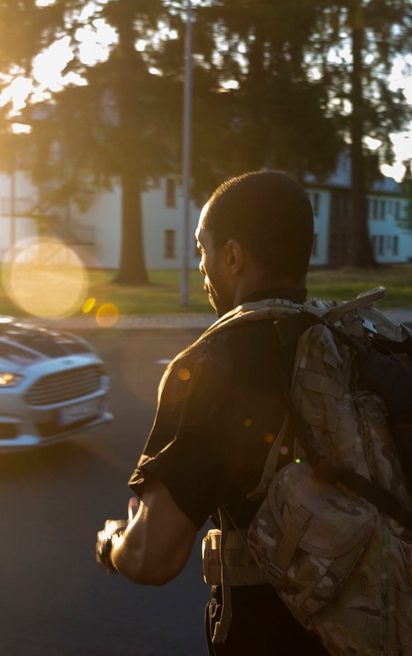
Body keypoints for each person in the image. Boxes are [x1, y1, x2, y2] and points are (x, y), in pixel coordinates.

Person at [95, 170, 328, 654]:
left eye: (203, 248)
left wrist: (113, 544)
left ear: (233, 256)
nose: (200, 265)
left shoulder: (214, 364)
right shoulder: (354, 345)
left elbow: (152, 557)